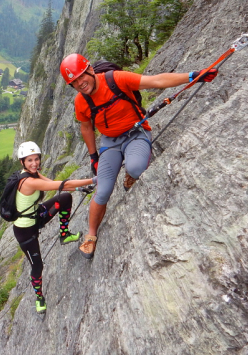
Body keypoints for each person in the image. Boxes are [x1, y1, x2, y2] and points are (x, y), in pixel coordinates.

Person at [60, 53, 219, 259]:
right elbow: (86, 128)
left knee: (135, 167)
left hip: (136, 132)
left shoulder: (116, 79)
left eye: (82, 76)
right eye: (74, 82)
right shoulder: (81, 102)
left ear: (90, 69)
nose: (80, 83)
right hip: (110, 143)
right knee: (103, 190)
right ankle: (91, 235)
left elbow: (156, 80)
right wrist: (93, 156)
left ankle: (130, 175)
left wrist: (194, 76)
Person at [13, 141, 95, 313]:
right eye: (29, 160)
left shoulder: (32, 174)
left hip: (37, 216)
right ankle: (39, 298)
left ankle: (64, 234)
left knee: (64, 198)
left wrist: (80, 189)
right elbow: (61, 185)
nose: (34, 163)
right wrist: (95, 179)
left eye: (36, 159)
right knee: (37, 266)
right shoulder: (28, 181)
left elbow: (56, 183)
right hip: (25, 232)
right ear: (22, 162)